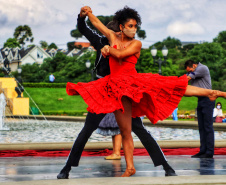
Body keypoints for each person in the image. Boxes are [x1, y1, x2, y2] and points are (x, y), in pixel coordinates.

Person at [66, 6, 226, 177]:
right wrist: (88, 13)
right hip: (113, 88)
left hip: (132, 84)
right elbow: (97, 24)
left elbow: (121, 55)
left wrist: (108, 49)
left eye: (136, 26)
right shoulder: (110, 36)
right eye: (131, 26)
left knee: (170, 85)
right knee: (118, 131)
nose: (134, 30)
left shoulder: (136, 43)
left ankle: (211, 92)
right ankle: (125, 167)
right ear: (121, 27)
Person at [57, 7, 177, 179]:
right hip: (103, 91)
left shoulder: (127, 44)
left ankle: (166, 166)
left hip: (123, 91)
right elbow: (85, 28)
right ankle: (67, 168)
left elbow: (124, 58)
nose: (118, 39)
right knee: (87, 128)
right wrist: (82, 16)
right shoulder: (101, 40)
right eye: (114, 35)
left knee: (139, 129)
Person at [185, 60, 216, 158]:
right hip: (201, 99)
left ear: (194, 65)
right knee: (201, 127)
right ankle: (203, 151)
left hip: (208, 99)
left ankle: (209, 152)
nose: (189, 72)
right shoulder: (193, 71)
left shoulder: (202, 68)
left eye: (190, 70)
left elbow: (187, 78)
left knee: (207, 126)